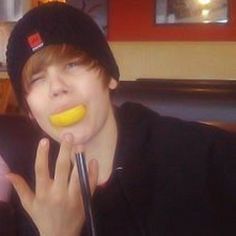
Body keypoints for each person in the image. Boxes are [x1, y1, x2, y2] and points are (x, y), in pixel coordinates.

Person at [1, 2, 236, 235]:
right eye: (37, 79)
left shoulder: (207, 158)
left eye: (72, 65)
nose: (57, 88)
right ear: (30, 110)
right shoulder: (30, 195)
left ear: (110, 77)